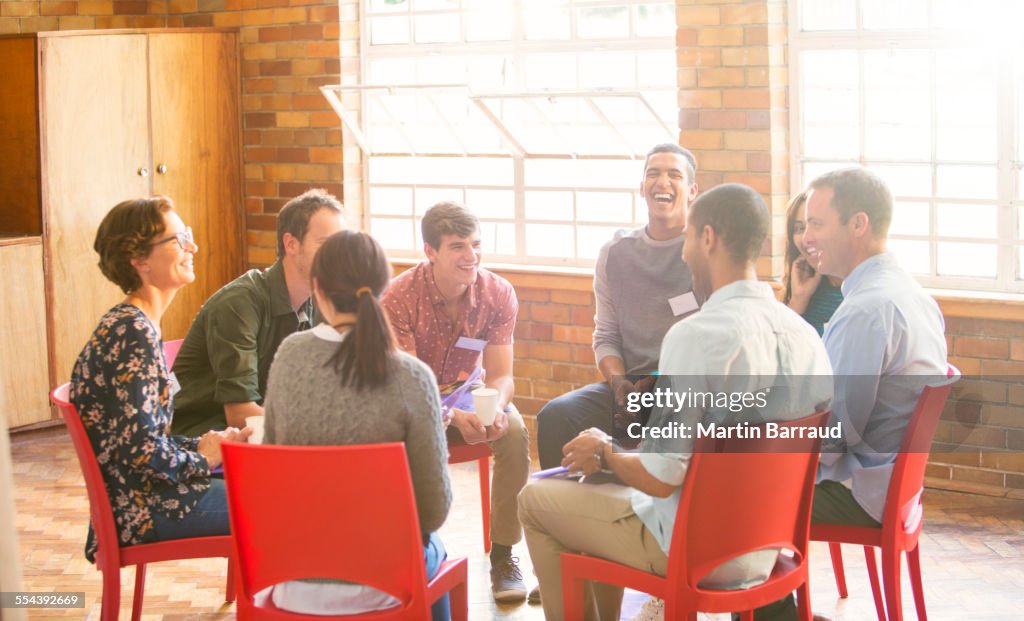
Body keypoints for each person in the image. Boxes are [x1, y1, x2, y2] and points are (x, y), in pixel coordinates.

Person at [518, 184, 833, 621]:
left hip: (693, 549)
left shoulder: (695, 337)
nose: (684, 253)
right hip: (766, 549)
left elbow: (662, 478)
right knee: (600, 487)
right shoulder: (808, 337)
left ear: (707, 238)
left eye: (686, 238)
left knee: (535, 500)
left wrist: (604, 450)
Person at [759, 167, 948, 621]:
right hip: (892, 485)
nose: (806, 238)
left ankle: (776, 616)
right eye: (803, 226)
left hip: (861, 491)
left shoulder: (865, 310)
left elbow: (828, 438)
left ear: (858, 224)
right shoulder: (910, 293)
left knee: (734, 493)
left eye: (817, 224)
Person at [261, 231, 452, 619]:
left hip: (294, 580)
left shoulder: (289, 357)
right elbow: (432, 512)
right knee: (439, 551)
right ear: (384, 288)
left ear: (317, 289)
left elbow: (272, 475)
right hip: (383, 584)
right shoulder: (412, 377)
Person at [70, 196, 251, 563]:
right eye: (177, 239)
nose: (192, 246)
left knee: (268, 484)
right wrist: (203, 459)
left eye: (188, 234)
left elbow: (145, 438)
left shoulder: (135, 325)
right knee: (281, 506)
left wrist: (207, 443)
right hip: (145, 508)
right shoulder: (131, 333)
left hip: (148, 495)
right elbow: (141, 451)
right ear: (140, 261)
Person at [380, 202, 532, 602]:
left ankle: (503, 556)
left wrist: (496, 406)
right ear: (430, 251)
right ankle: (414, 551)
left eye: (477, 245)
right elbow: (408, 387)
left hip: (472, 394)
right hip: (413, 403)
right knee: (393, 440)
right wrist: (450, 415)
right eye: (458, 247)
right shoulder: (399, 297)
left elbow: (501, 374)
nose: (472, 257)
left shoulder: (498, 293)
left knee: (515, 432)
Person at [535, 143, 701, 470]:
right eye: (653, 173)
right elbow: (606, 335)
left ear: (692, 190)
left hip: (688, 389)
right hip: (630, 388)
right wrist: (619, 384)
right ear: (642, 188)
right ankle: (567, 512)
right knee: (557, 415)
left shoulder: (704, 251)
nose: (662, 182)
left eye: (674, 175)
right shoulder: (615, 253)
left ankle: (645, 516)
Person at [171, 189, 345, 436]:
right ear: (291, 244)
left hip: (260, 437)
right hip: (203, 440)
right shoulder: (239, 304)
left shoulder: (318, 302)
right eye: (326, 244)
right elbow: (240, 413)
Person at [782, 191, 843, 335]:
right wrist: (798, 299)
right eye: (800, 228)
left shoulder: (857, 291)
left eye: (816, 225)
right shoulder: (803, 284)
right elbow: (779, 349)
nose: (806, 238)